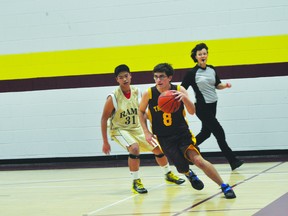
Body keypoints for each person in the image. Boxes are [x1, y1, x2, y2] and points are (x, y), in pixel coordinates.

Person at [138, 63, 236, 199]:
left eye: (162, 77)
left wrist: (184, 98)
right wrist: (147, 132)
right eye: (155, 77)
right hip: (164, 137)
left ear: (170, 77)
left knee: (198, 160)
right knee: (182, 167)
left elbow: (192, 111)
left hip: (182, 133)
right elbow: (141, 111)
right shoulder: (149, 94)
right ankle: (189, 174)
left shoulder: (179, 89)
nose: (158, 80)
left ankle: (224, 186)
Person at [101, 64, 185, 194]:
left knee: (157, 147)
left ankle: (168, 174)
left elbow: (143, 113)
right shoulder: (113, 97)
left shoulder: (138, 92)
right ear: (117, 80)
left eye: (126, 76)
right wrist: (105, 142)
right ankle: (136, 182)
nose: (124, 79)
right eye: (121, 77)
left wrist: (151, 128)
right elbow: (103, 119)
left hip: (137, 128)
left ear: (130, 76)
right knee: (134, 148)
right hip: (119, 129)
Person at [181, 43, 244, 171]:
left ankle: (185, 151)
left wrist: (225, 85)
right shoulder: (192, 73)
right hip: (202, 107)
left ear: (207, 55)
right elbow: (182, 88)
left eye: (204, 53)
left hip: (213, 106)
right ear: (196, 57)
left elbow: (217, 84)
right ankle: (233, 161)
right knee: (219, 132)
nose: (203, 56)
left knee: (205, 133)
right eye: (200, 54)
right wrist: (185, 102)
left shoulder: (211, 69)